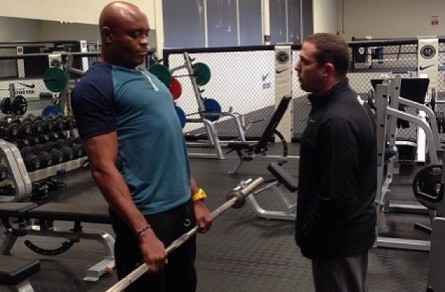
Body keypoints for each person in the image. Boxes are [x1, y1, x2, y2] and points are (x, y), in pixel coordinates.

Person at [70, 2, 212, 291]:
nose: (144, 41)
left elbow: (172, 146)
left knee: (184, 285)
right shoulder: (95, 86)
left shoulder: (149, 77)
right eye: (134, 34)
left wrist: (195, 197)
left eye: (145, 33)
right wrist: (144, 232)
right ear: (108, 35)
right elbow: (102, 168)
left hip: (181, 208)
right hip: (148, 214)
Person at [294, 33, 377, 292]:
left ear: (326, 70)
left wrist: (309, 231)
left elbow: (337, 196)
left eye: (304, 62)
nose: (296, 67)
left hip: (337, 242)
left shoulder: (337, 120)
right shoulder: (335, 105)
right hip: (339, 238)